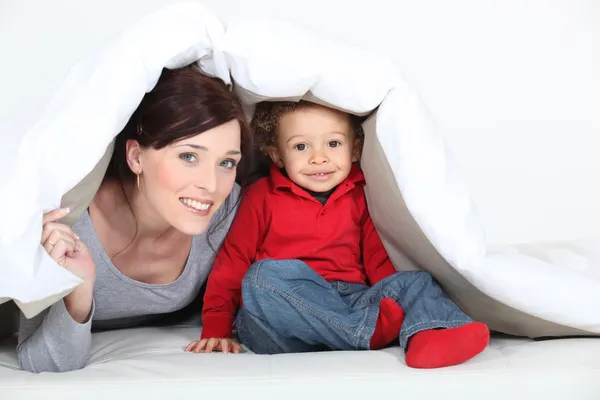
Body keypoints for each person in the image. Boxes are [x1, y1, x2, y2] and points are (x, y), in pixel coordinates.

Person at [187, 100, 490, 369]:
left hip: (349, 298)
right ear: (277, 155)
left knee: (415, 281)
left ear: (355, 149)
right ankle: (364, 332)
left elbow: (376, 258)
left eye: (333, 144)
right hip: (280, 320)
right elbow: (233, 262)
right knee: (261, 277)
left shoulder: (361, 194)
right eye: (301, 147)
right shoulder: (261, 196)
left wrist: (392, 293)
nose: (319, 158)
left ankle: (432, 335)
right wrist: (216, 328)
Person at [17, 65, 253, 373]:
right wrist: (80, 290)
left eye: (226, 162)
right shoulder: (70, 223)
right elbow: (41, 363)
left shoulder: (228, 210)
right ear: (136, 157)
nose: (211, 184)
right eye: (189, 156)